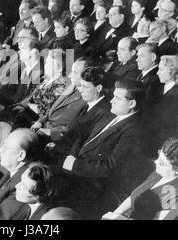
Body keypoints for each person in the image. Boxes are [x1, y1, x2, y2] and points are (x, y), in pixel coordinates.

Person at [58, 79, 148, 218]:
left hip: (95, 185)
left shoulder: (134, 130)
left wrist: (75, 165)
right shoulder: (110, 114)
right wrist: (72, 157)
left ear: (132, 103)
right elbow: (82, 136)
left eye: (117, 98)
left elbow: (110, 167)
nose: (111, 101)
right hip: (75, 169)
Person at [102, 138, 178, 220]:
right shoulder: (158, 174)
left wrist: (118, 218)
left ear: (177, 170)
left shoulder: (175, 193)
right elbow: (133, 197)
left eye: (162, 163)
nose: (156, 162)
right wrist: (114, 214)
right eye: (158, 157)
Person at [31, 57, 90, 143]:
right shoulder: (71, 86)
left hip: (56, 138)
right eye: (72, 71)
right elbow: (52, 110)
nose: (70, 75)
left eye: (75, 72)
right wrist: (40, 121)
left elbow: (74, 128)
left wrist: (51, 132)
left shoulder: (86, 99)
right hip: (43, 127)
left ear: (86, 75)